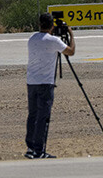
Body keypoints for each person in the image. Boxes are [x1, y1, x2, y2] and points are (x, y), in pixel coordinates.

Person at [25, 13, 75, 159]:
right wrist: (71, 34)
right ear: (52, 25)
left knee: (33, 115)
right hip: (45, 83)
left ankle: (30, 147)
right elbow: (70, 52)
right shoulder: (54, 41)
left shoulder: (32, 39)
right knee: (43, 117)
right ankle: (39, 150)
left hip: (32, 82)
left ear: (39, 24)